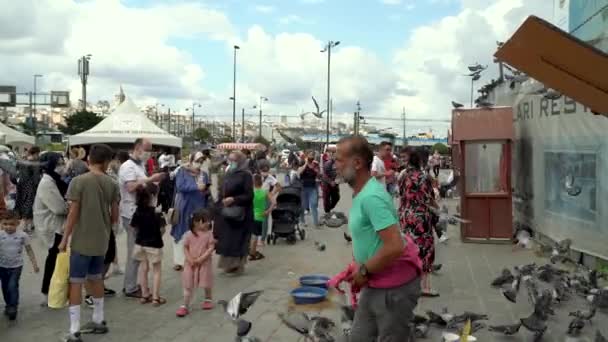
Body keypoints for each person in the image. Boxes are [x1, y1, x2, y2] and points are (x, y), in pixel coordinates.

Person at [334, 136, 421, 341]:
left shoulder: (372, 197)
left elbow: (394, 247)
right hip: (374, 282)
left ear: (357, 163)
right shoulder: (361, 194)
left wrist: (363, 270)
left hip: (393, 289)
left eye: (339, 160)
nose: (334, 165)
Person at [58, 144, 119, 341]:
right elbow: (115, 217)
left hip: (82, 240)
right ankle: (99, 319)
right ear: (107, 161)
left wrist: (64, 239)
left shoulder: (78, 181)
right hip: (102, 240)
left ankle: (74, 329)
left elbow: (73, 213)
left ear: (89, 159)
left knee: (76, 282)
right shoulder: (112, 184)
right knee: (96, 278)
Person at [118, 138, 165, 298]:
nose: (149, 153)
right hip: (131, 214)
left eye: (151, 150)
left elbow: (141, 184)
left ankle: (135, 284)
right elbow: (130, 187)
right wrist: (150, 180)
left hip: (141, 212)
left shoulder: (139, 165)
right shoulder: (127, 166)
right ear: (137, 148)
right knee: (135, 251)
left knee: (139, 251)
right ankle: (130, 287)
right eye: (147, 149)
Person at [399, 148, 439, 297]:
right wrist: (437, 208)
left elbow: (402, 194)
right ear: (422, 161)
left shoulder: (402, 175)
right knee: (425, 250)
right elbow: (429, 198)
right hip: (420, 216)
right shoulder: (424, 177)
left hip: (405, 215)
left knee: (408, 248)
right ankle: (424, 287)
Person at [33, 152, 68, 304]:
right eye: (59, 163)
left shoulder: (54, 180)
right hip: (52, 227)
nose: (62, 166)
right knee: (54, 259)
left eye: (62, 162)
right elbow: (59, 208)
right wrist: (71, 206)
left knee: (56, 258)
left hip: (55, 226)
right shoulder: (47, 183)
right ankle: (47, 292)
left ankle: (51, 292)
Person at [215, 151, 254, 275]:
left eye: (234, 160)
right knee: (227, 240)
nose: (231, 163)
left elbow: (249, 195)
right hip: (227, 212)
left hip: (240, 213)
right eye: (229, 160)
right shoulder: (228, 172)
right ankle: (227, 265)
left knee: (238, 240)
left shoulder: (246, 175)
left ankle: (237, 265)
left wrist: (234, 199)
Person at [171, 152, 210, 271]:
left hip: (199, 207)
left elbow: (207, 189)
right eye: (197, 160)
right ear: (191, 160)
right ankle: (179, 261)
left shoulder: (203, 174)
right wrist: (196, 187)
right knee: (181, 232)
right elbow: (180, 187)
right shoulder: (182, 171)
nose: (199, 163)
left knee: (197, 233)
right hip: (184, 206)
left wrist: (206, 190)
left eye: (201, 161)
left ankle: (195, 258)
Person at [176, 209, 216, 317]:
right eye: (205, 221)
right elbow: (185, 247)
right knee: (188, 284)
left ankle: (208, 298)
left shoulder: (208, 234)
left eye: (209, 221)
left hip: (204, 263)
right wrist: (189, 259)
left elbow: (211, 247)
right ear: (196, 222)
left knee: (206, 281)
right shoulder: (189, 235)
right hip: (190, 264)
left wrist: (201, 258)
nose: (208, 223)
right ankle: (185, 305)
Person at [131, 183, 166, 306]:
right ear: (153, 197)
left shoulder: (137, 211)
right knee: (156, 270)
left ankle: (144, 294)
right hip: (154, 244)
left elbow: (133, 227)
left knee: (143, 268)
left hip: (140, 243)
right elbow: (162, 229)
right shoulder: (156, 212)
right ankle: (156, 297)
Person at [0, 212, 39, 320]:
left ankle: (13, 306)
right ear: (1, 224)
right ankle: (8, 305)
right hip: (2, 266)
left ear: (17, 223)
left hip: (16, 266)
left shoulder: (22, 235)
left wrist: (34, 264)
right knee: (5, 287)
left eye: (11, 224)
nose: (8, 227)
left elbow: (29, 250)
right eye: (5, 224)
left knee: (12, 286)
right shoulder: (0, 235)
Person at [15, 146, 42, 234]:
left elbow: (16, 171)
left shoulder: (22, 159)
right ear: (36, 153)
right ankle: (27, 226)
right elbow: (36, 176)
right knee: (30, 203)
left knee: (23, 202)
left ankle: (26, 225)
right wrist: (38, 185)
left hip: (21, 184)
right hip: (30, 185)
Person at [250, 174, 274, 260]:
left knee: (251, 235)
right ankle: (252, 253)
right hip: (260, 215)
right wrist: (268, 211)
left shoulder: (250, 192)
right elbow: (274, 202)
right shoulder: (265, 192)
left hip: (250, 215)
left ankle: (251, 252)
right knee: (255, 235)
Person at [298, 151, 320, 228]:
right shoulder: (302, 162)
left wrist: (315, 169)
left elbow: (318, 174)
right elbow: (299, 172)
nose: (311, 157)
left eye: (312, 155)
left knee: (313, 204)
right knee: (302, 206)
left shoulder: (316, 164)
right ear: (307, 156)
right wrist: (306, 164)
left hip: (312, 187)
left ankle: (316, 223)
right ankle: (302, 221)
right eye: (310, 155)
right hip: (303, 187)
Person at [321, 147, 340, 215]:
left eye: (335, 153)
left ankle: (329, 208)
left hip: (335, 183)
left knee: (336, 198)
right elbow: (324, 175)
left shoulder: (339, 162)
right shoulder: (328, 163)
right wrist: (330, 182)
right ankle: (327, 212)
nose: (334, 154)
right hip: (326, 183)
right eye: (333, 153)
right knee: (326, 199)